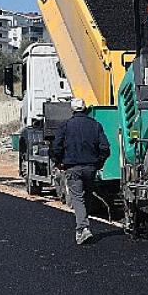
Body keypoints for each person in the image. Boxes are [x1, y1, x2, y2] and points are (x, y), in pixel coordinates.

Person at [50, 98, 111, 245]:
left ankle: (83, 228)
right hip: (91, 168)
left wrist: (58, 162)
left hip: (73, 168)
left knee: (77, 197)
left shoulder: (65, 126)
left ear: (72, 110)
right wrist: (99, 163)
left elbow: (56, 147)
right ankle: (84, 224)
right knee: (87, 195)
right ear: (85, 109)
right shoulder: (95, 125)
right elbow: (105, 148)